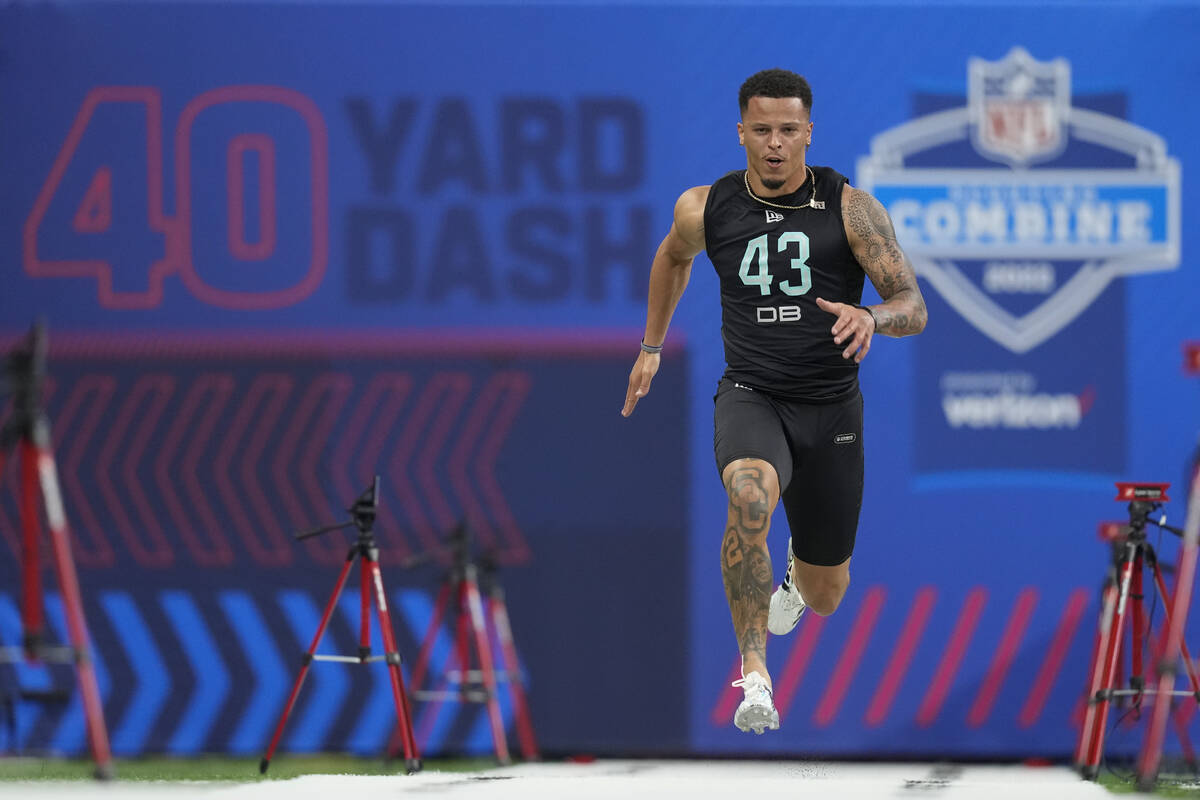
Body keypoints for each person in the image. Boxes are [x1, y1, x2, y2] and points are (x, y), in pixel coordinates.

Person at [620, 68, 927, 734]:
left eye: (789, 130)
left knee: (826, 596)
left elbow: (915, 305)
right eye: (762, 130)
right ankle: (754, 676)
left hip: (830, 405)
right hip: (752, 393)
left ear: (809, 132)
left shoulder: (851, 208)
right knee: (751, 492)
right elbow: (673, 258)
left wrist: (873, 317)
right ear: (741, 133)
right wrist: (650, 345)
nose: (776, 144)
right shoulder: (706, 207)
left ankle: (795, 578)